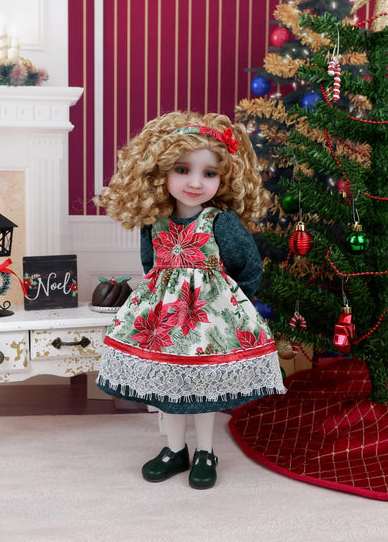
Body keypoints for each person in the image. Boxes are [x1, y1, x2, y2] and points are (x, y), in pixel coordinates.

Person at [95, 111, 285, 489]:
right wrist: (156, 297)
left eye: (209, 173)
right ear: (160, 172)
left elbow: (248, 268)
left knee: (203, 389)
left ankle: (206, 452)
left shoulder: (220, 222)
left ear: (223, 178)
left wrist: (232, 307)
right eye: (182, 170)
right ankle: (175, 449)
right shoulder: (156, 221)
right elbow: (151, 264)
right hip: (164, 321)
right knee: (170, 387)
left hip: (209, 324)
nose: (195, 182)